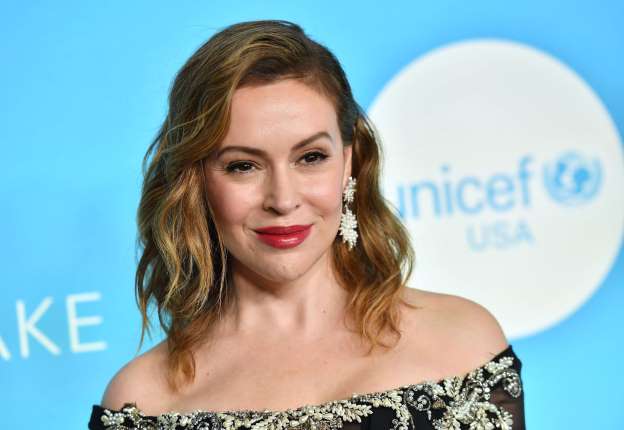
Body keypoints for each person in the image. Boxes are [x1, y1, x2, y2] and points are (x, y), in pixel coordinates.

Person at [88, 19, 525, 430]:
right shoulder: (143, 403)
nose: (283, 200)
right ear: (196, 181)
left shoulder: (461, 342)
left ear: (348, 162)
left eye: (311, 157)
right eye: (243, 166)